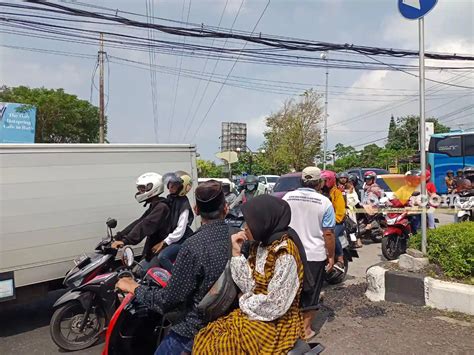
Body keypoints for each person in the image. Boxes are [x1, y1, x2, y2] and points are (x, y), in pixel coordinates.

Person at [115, 180, 233, 355]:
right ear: (226, 208)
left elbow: (167, 301)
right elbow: (142, 223)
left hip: (193, 329)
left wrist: (134, 287)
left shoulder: (193, 246)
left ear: (197, 210)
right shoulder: (235, 236)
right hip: (226, 319)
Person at [193, 195, 306, 354]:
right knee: (207, 336)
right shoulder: (260, 246)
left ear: (264, 222)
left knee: (222, 348)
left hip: (277, 322)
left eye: (250, 222)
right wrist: (236, 252)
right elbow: (249, 285)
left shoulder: (284, 253)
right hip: (255, 312)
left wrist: (244, 300)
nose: (245, 227)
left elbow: (275, 305)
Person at [283, 166, 336, 340]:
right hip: (314, 254)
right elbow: (328, 233)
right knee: (311, 292)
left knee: (290, 290)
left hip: (290, 252)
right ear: (319, 182)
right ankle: (305, 330)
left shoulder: (287, 197)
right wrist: (331, 255)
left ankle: (288, 327)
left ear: (301, 180)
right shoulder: (324, 202)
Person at [111, 172, 170, 272]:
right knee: (137, 271)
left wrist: (125, 241)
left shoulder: (162, 207)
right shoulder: (156, 205)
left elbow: (145, 225)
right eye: (140, 189)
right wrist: (119, 236)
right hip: (152, 247)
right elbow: (140, 221)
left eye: (143, 188)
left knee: (143, 273)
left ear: (153, 187)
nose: (140, 191)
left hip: (160, 248)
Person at [153, 171, 194, 272]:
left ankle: (180, 278)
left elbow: (180, 230)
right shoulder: (170, 199)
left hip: (183, 239)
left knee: (162, 257)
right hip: (173, 238)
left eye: (174, 185)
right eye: (170, 184)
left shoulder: (184, 204)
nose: (170, 187)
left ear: (182, 187)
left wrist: (164, 242)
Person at [321, 170, 346, 272]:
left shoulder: (337, 193)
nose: (322, 183)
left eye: (325, 180)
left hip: (337, 223)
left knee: (332, 234)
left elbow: (340, 213)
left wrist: (331, 221)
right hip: (323, 222)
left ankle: (340, 257)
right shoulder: (320, 192)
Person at [345, 180, 363, 248]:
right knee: (350, 226)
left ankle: (355, 241)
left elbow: (356, 201)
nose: (352, 188)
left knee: (353, 226)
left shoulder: (352, 192)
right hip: (348, 211)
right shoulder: (345, 193)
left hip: (351, 211)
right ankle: (353, 241)